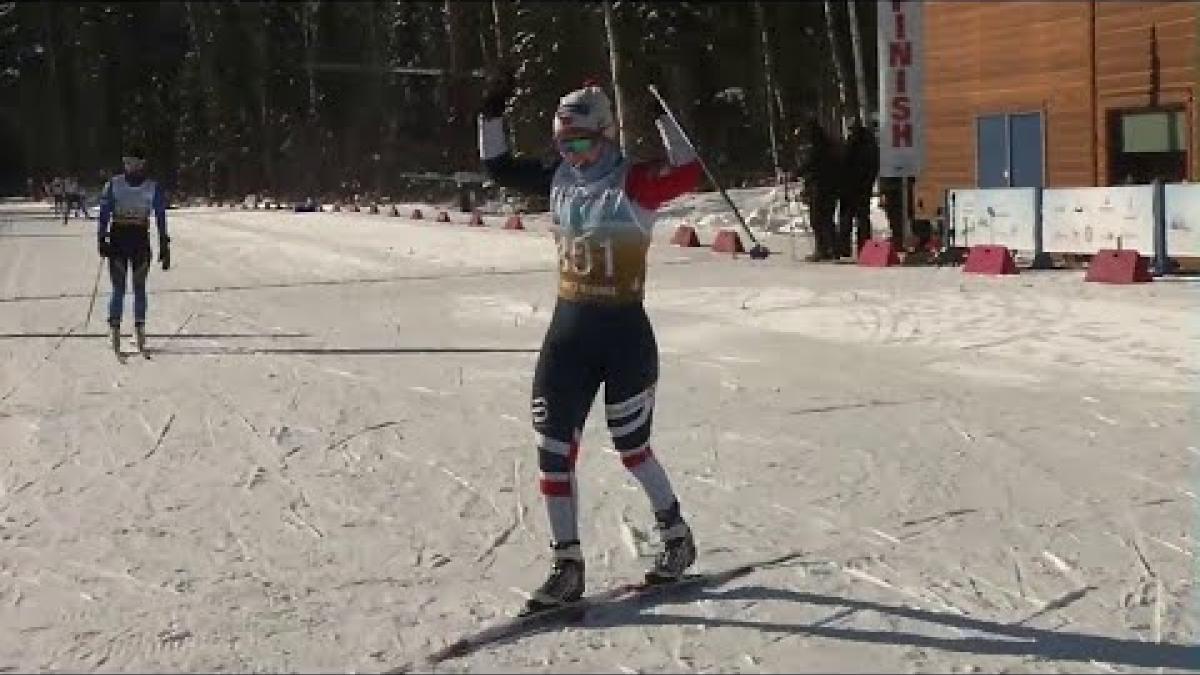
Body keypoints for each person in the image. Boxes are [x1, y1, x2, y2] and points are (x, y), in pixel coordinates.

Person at [477, 73, 702, 614]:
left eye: (582, 143)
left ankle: (675, 535)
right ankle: (567, 564)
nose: (572, 155)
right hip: (569, 335)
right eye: (563, 144)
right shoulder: (557, 176)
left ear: (605, 134)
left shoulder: (635, 183)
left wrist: (663, 117)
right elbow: (498, 167)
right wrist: (490, 115)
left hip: (624, 337)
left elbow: (690, 172)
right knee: (553, 448)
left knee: (632, 449)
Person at [96, 147, 171, 355]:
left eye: (135, 163)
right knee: (118, 288)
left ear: (142, 165)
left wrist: (164, 243)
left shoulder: (152, 187)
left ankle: (139, 328)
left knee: (139, 287)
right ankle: (115, 328)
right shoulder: (114, 184)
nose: (131, 167)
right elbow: (104, 213)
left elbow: (161, 216)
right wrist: (101, 237)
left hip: (139, 241)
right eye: (128, 163)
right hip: (119, 241)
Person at [796, 119, 839, 261]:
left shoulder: (816, 147)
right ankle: (832, 248)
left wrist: (795, 173)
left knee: (817, 219)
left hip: (819, 187)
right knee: (827, 218)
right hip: (831, 186)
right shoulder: (830, 145)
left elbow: (809, 164)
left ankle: (822, 249)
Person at [836, 122, 879, 258]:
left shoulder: (850, 145)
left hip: (849, 188)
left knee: (846, 219)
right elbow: (874, 167)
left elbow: (843, 163)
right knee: (862, 219)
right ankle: (864, 247)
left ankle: (844, 248)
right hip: (863, 188)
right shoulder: (870, 146)